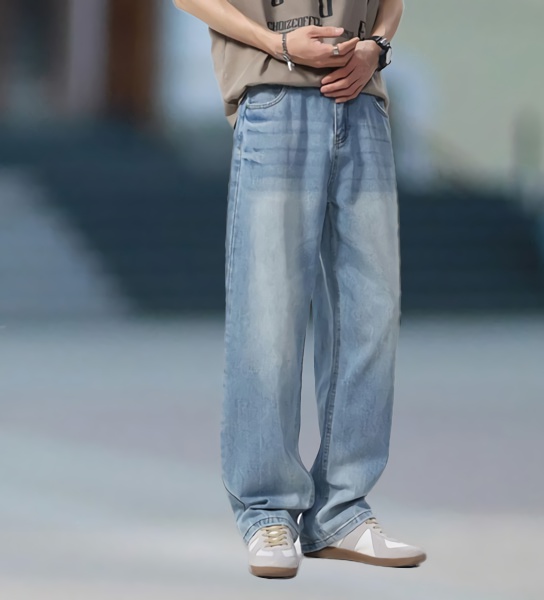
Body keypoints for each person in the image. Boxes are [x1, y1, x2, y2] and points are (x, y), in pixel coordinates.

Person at [173, 0, 426, 578]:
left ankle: (342, 509)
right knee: (269, 316)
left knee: (371, 315)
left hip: (363, 103)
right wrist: (277, 44)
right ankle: (266, 510)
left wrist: (376, 48)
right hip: (276, 97)